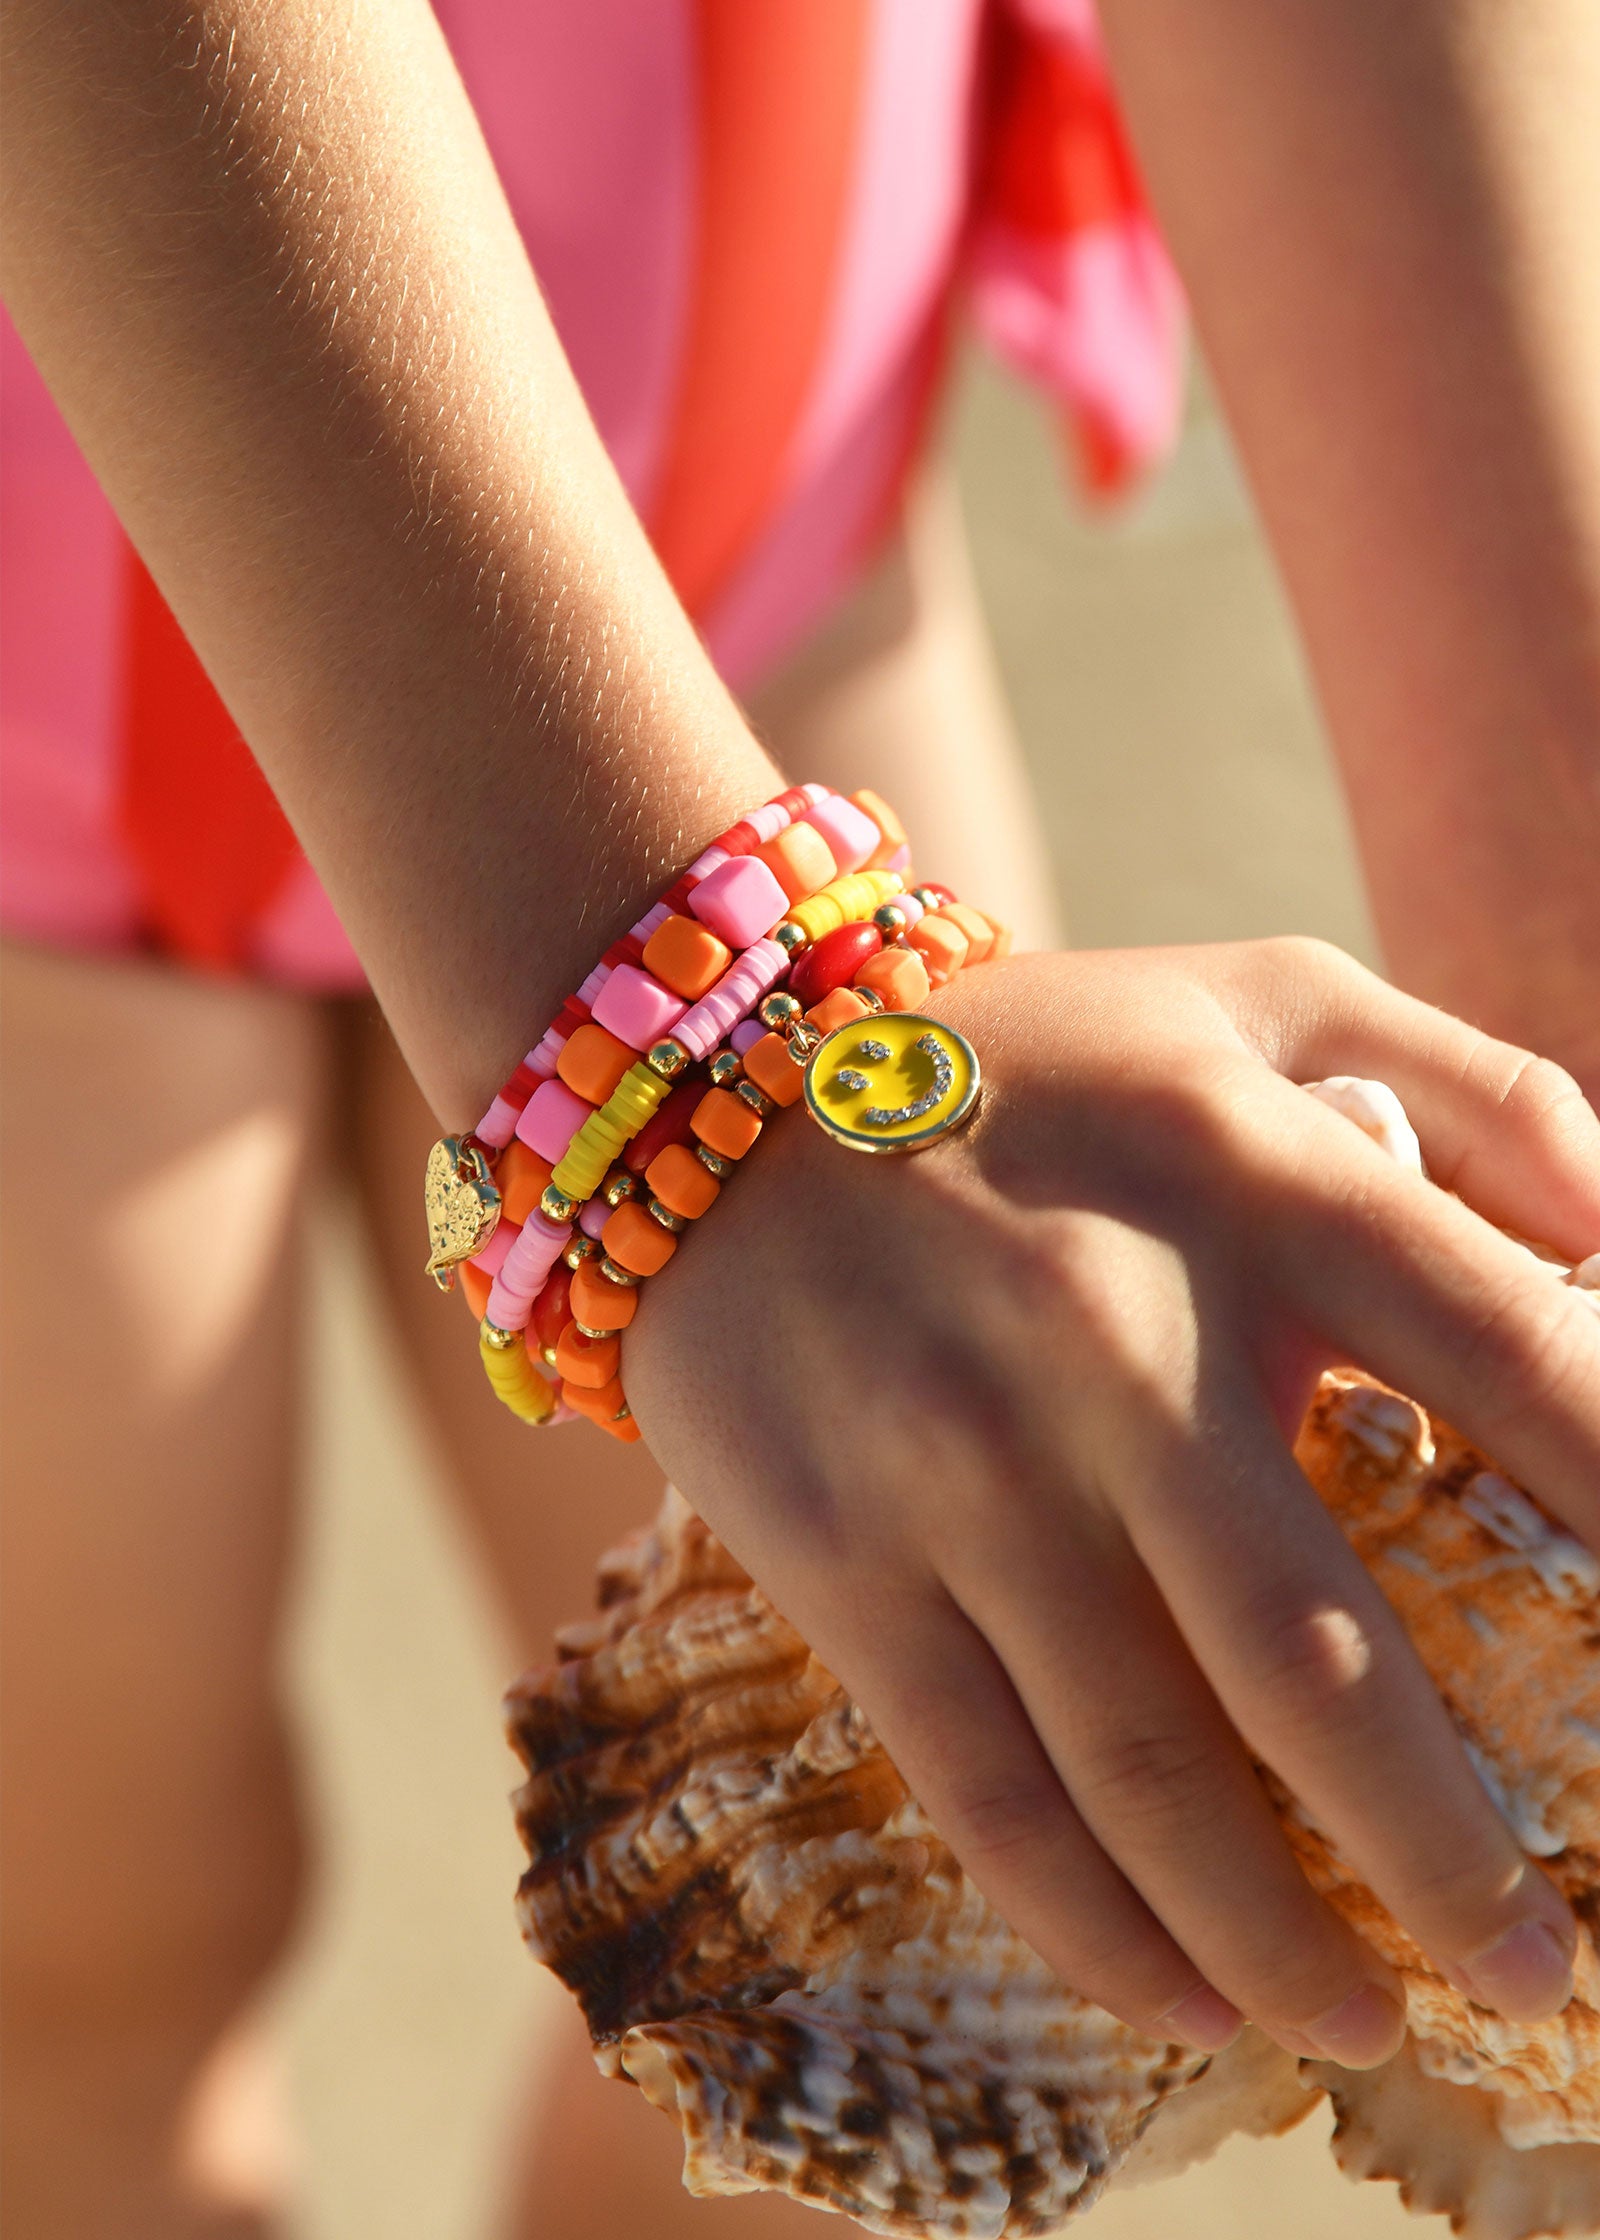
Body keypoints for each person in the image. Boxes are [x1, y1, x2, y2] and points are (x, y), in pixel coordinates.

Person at [3, 2, 1598, 2235]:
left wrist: (1560, 979)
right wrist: (733, 1033)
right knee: (71, 1998)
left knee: (877, 2013)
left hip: (754, 554)